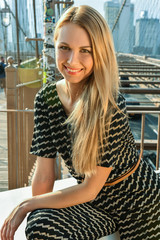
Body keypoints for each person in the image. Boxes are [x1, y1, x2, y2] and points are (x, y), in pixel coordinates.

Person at [0, 5, 160, 240]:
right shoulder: (46, 99)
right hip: (93, 203)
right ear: (54, 46)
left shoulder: (110, 104)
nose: (72, 60)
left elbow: (90, 187)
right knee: (39, 225)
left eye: (85, 50)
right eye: (64, 48)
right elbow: (45, 175)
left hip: (136, 199)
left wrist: (26, 204)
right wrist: (35, 209)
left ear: (99, 54)